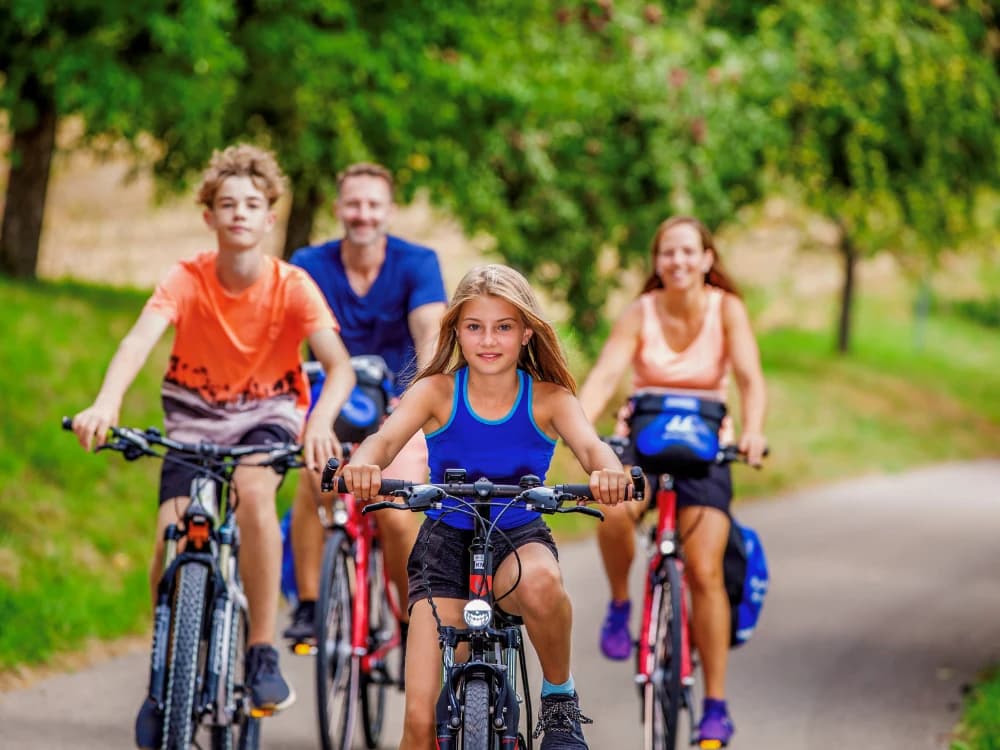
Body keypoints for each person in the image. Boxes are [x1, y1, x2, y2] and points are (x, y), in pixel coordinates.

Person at [68, 144, 357, 748]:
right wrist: (106, 402)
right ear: (209, 216)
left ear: (270, 216)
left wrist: (321, 421)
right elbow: (136, 340)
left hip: (268, 412)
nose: (239, 214)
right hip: (194, 418)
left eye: (252, 204)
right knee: (170, 531)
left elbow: (339, 366)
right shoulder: (187, 277)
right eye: (226, 204)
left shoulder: (292, 285)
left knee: (254, 496)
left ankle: (259, 655)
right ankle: (165, 670)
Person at [340, 264, 634, 750]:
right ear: (456, 330)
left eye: (503, 327)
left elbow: (593, 447)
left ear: (525, 333)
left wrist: (608, 473)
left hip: (517, 535)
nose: (488, 340)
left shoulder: (550, 399)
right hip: (444, 543)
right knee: (418, 722)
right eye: (474, 327)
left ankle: (559, 701)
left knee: (542, 582)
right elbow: (385, 439)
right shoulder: (436, 391)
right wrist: (364, 464)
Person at [577, 216, 767, 747]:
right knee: (613, 509)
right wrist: (580, 435)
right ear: (656, 262)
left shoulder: (726, 309)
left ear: (708, 258)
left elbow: (751, 378)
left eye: (688, 252)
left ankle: (715, 707)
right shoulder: (641, 311)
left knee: (705, 571)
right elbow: (605, 375)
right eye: (667, 253)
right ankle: (620, 608)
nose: (677, 262)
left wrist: (752, 432)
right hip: (641, 440)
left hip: (707, 447)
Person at [282, 162, 447, 645]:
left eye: (374, 204)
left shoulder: (417, 263)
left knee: (394, 514)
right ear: (337, 209)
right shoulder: (310, 263)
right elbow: (288, 337)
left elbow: (430, 334)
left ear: (389, 212)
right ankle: (310, 606)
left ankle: (407, 612)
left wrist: (426, 392)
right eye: (353, 204)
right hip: (327, 400)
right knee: (317, 483)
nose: (363, 214)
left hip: (399, 405)